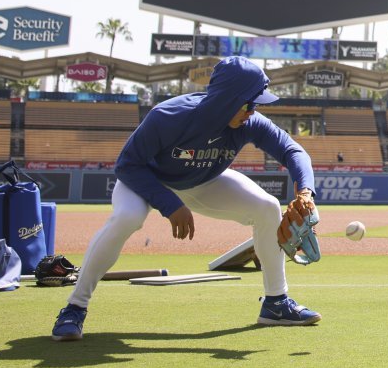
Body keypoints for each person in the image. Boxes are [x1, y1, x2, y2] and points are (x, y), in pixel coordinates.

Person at [50, 56, 322, 341]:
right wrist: (170, 205)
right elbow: (127, 165)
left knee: (267, 207)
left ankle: (276, 303)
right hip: (146, 181)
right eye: (250, 104)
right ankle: (75, 307)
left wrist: (305, 191)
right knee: (127, 218)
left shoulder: (249, 123)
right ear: (228, 100)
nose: (253, 112)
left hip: (202, 182)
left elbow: (293, 151)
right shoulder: (168, 116)